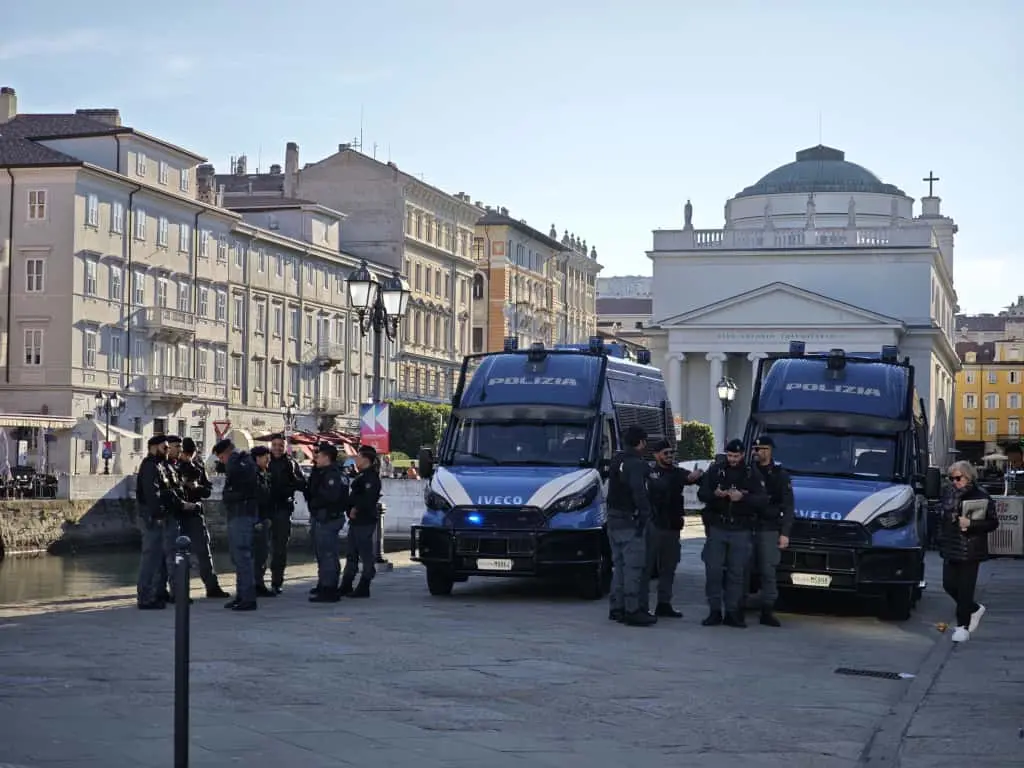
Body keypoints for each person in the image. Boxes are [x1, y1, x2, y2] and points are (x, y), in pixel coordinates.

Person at [697, 439, 768, 628]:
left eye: (736, 456)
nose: (733, 459)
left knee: (737, 574)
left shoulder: (751, 473)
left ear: (743, 455)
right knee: (713, 571)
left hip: (741, 529)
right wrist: (715, 494)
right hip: (718, 527)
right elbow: (702, 495)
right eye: (730, 456)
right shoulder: (716, 470)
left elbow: (762, 500)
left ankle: (732, 612)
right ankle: (714, 611)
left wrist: (743, 497)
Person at [939, 461, 1000, 643]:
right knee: (948, 584)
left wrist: (971, 524)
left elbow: (993, 522)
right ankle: (974, 608)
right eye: (952, 478)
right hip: (950, 546)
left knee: (965, 590)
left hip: (970, 549)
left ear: (968, 476)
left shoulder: (980, 495)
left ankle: (962, 627)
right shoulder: (948, 494)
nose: (954, 482)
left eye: (958, 478)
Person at [644, 439, 702, 618]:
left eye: (671, 453)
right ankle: (641, 606)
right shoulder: (651, 473)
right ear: (656, 454)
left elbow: (691, 478)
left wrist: (698, 473)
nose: (669, 456)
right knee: (645, 569)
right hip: (653, 526)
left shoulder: (676, 472)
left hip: (672, 526)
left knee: (669, 568)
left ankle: (664, 603)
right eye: (665, 453)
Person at [606, 425, 657, 627]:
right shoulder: (636, 464)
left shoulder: (617, 460)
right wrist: (645, 513)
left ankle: (616, 608)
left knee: (618, 567)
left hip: (613, 520)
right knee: (633, 568)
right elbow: (639, 491)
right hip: (630, 521)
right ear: (641, 442)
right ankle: (632, 610)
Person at [176, 437, 230, 599]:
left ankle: (212, 587)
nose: (188, 456)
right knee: (177, 554)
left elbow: (207, 490)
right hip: (178, 513)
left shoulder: (198, 466)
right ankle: (178, 589)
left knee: (203, 552)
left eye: (191, 453)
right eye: (186, 453)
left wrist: (196, 487)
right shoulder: (175, 466)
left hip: (195, 512)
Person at [750, 436, 794, 627]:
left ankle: (767, 610)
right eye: (758, 448)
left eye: (765, 448)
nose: (761, 452)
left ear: (771, 450)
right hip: (746, 526)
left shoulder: (780, 475)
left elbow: (788, 506)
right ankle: (734, 609)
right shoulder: (747, 472)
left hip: (768, 528)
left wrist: (785, 532)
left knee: (768, 571)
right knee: (740, 570)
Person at [213, 438, 259, 611]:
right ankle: (242, 595)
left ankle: (247, 598)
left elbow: (239, 485)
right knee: (239, 558)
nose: (222, 463)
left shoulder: (238, 461)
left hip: (241, 515)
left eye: (221, 459)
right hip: (241, 514)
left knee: (242, 556)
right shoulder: (243, 461)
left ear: (225, 454)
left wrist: (228, 464)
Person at [135, 435, 176, 609]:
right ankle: (145, 597)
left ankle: (154, 593)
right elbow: (152, 494)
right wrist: (158, 515)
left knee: (157, 557)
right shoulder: (150, 466)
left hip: (157, 516)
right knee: (150, 558)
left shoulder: (159, 465)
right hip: (151, 517)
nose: (168, 451)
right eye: (164, 448)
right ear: (153, 447)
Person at [306, 443, 348, 603]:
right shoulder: (328, 473)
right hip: (325, 517)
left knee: (328, 554)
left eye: (319, 455)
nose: (316, 458)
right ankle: (324, 584)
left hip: (328, 518)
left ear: (327, 457)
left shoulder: (332, 475)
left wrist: (315, 499)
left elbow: (330, 497)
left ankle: (329, 588)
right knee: (324, 554)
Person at [267, 434, 307, 594]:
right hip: (266, 509)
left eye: (280, 445)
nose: (277, 448)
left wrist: (293, 477)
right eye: (275, 445)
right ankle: (258, 581)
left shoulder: (291, 463)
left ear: (284, 447)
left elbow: (303, 484)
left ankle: (277, 581)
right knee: (261, 547)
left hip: (283, 509)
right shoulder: (264, 461)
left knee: (280, 548)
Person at [342, 445, 383, 598]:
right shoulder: (361, 476)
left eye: (358, 456)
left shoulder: (371, 478)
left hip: (364, 520)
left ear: (366, 459)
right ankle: (346, 583)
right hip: (356, 521)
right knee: (351, 553)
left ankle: (364, 584)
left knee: (366, 555)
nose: (355, 459)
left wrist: (356, 508)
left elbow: (368, 499)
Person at [251, 445, 276, 598]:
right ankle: (255, 583)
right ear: (257, 458)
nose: (268, 460)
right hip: (256, 518)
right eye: (265, 457)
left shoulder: (264, 473)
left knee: (263, 553)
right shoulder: (253, 475)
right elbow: (255, 498)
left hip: (264, 517)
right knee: (257, 553)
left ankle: (259, 582)